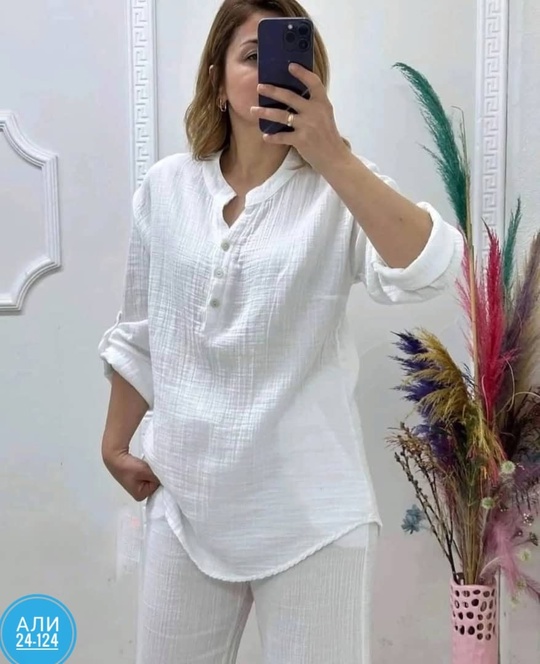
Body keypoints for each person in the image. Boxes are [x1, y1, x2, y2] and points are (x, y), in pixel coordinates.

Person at [98, 0, 464, 662]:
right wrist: (115, 442)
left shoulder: (338, 190)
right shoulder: (166, 188)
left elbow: (430, 268)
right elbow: (141, 329)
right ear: (217, 80)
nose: (273, 74)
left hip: (311, 516)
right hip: (185, 501)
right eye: (251, 56)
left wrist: (333, 155)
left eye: (293, 60)